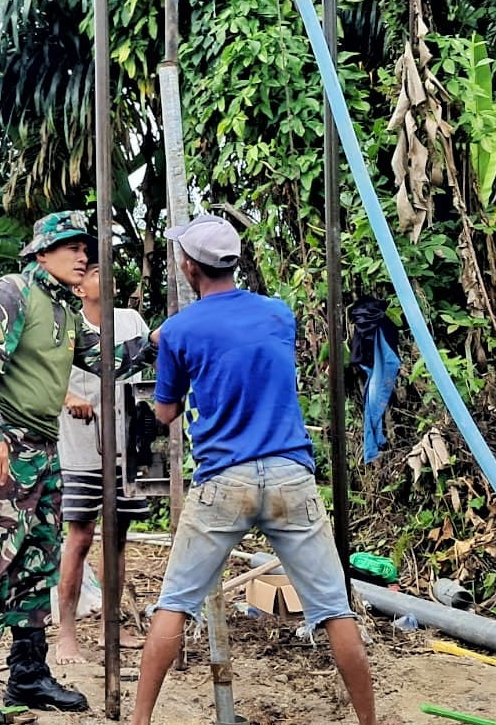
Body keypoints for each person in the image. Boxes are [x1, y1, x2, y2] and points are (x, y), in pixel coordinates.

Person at [131, 214, 379, 725]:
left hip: (224, 479)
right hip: (290, 474)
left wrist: (161, 347)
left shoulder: (179, 330)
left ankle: (139, 721)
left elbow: (166, 412)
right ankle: (369, 723)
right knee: (334, 609)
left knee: (174, 603)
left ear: (189, 267)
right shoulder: (277, 313)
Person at [0, 211, 155, 725]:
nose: (83, 256)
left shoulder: (64, 310)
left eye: (86, 249)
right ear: (42, 253)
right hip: (4, 446)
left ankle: (28, 675)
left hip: (42, 449)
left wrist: (159, 341)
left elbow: (107, 361)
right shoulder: (11, 293)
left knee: (37, 560)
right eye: (72, 247)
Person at [54, 262, 151, 664]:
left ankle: (111, 626)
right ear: (79, 289)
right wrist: (67, 398)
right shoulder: (67, 327)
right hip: (80, 447)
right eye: (94, 272)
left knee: (117, 538)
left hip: (126, 445)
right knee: (79, 537)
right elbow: (46, 377)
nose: (104, 276)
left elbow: (146, 368)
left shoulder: (131, 322)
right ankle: (66, 634)